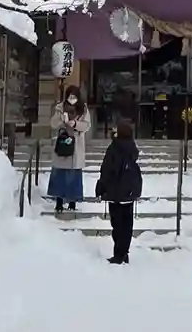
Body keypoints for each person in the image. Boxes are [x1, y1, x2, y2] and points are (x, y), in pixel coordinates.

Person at [94, 116, 143, 264]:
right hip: (128, 191)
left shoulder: (114, 148)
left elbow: (107, 170)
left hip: (115, 191)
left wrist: (101, 187)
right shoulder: (132, 148)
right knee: (127, 224)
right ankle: (124, 251)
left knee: (117, 224)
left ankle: (119, 254)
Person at [46, 86, 90, 215]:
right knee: (60, 175)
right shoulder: (60, 108)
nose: (72, 99)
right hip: (63, 142)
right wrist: (62, 119)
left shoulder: (83, 109)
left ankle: (72, 202)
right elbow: (53, 124)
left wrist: (75, 124)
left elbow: (87, 125)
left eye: (74, 96)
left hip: (76, 144)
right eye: (70, 96)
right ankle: (59, 202)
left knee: (73, 175)